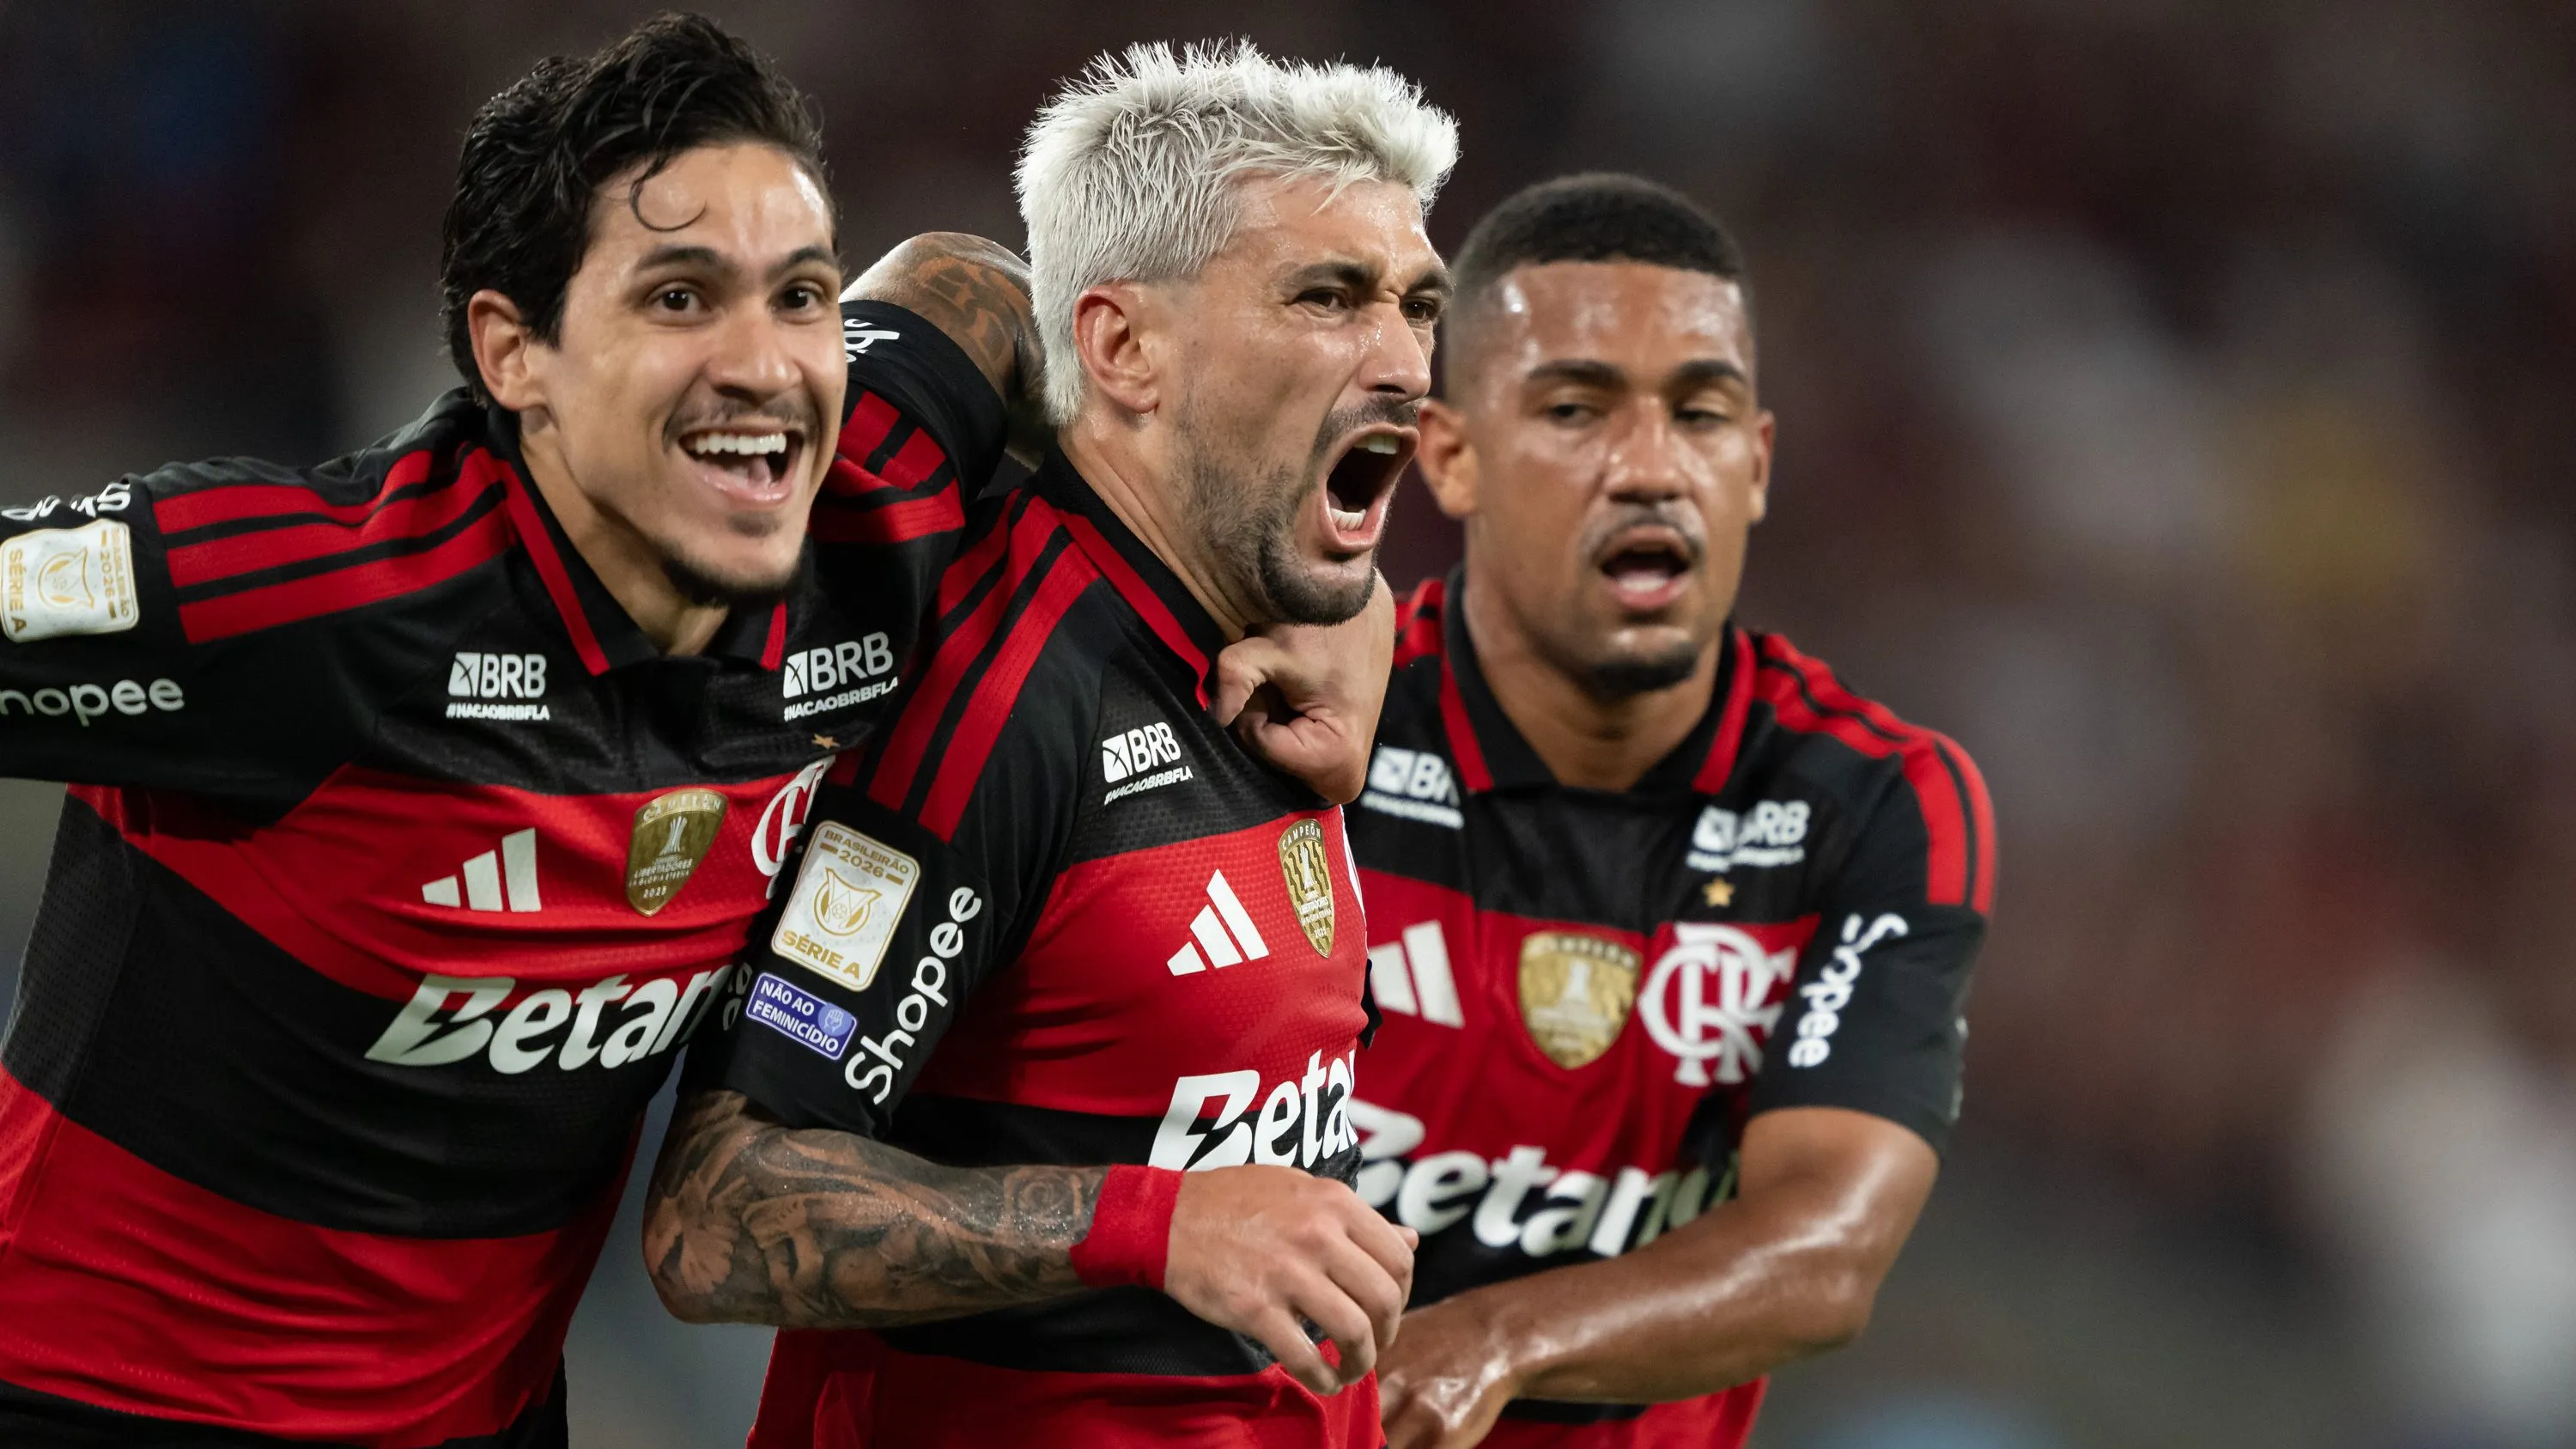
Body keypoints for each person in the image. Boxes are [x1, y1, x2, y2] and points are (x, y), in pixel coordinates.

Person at [0, 17, 1376, 1447]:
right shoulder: (311, 601)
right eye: (679, 298)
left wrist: (1302, 575)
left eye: (800, 295)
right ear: (514, 351)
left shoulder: (870, 499)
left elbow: (975, 289)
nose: (765, 365)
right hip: (96, 1404)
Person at [643, 41, 1457, 1446]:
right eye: (1326, 297)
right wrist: (1155, 1223)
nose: (1404, 365)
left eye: (1416, 304)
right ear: (1124, 349)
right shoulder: (1006, 693)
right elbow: (713, 1212)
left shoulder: (1261, 633)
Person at [1346, 174, 1996, 1449]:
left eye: (1699, 413)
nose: (1650, 467)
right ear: (1451, 456)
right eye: (1576, 409)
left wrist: (1493, 1339)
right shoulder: (1314, 729)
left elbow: (1826, 1249)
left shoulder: (1870, 802)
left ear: (1756, 465)